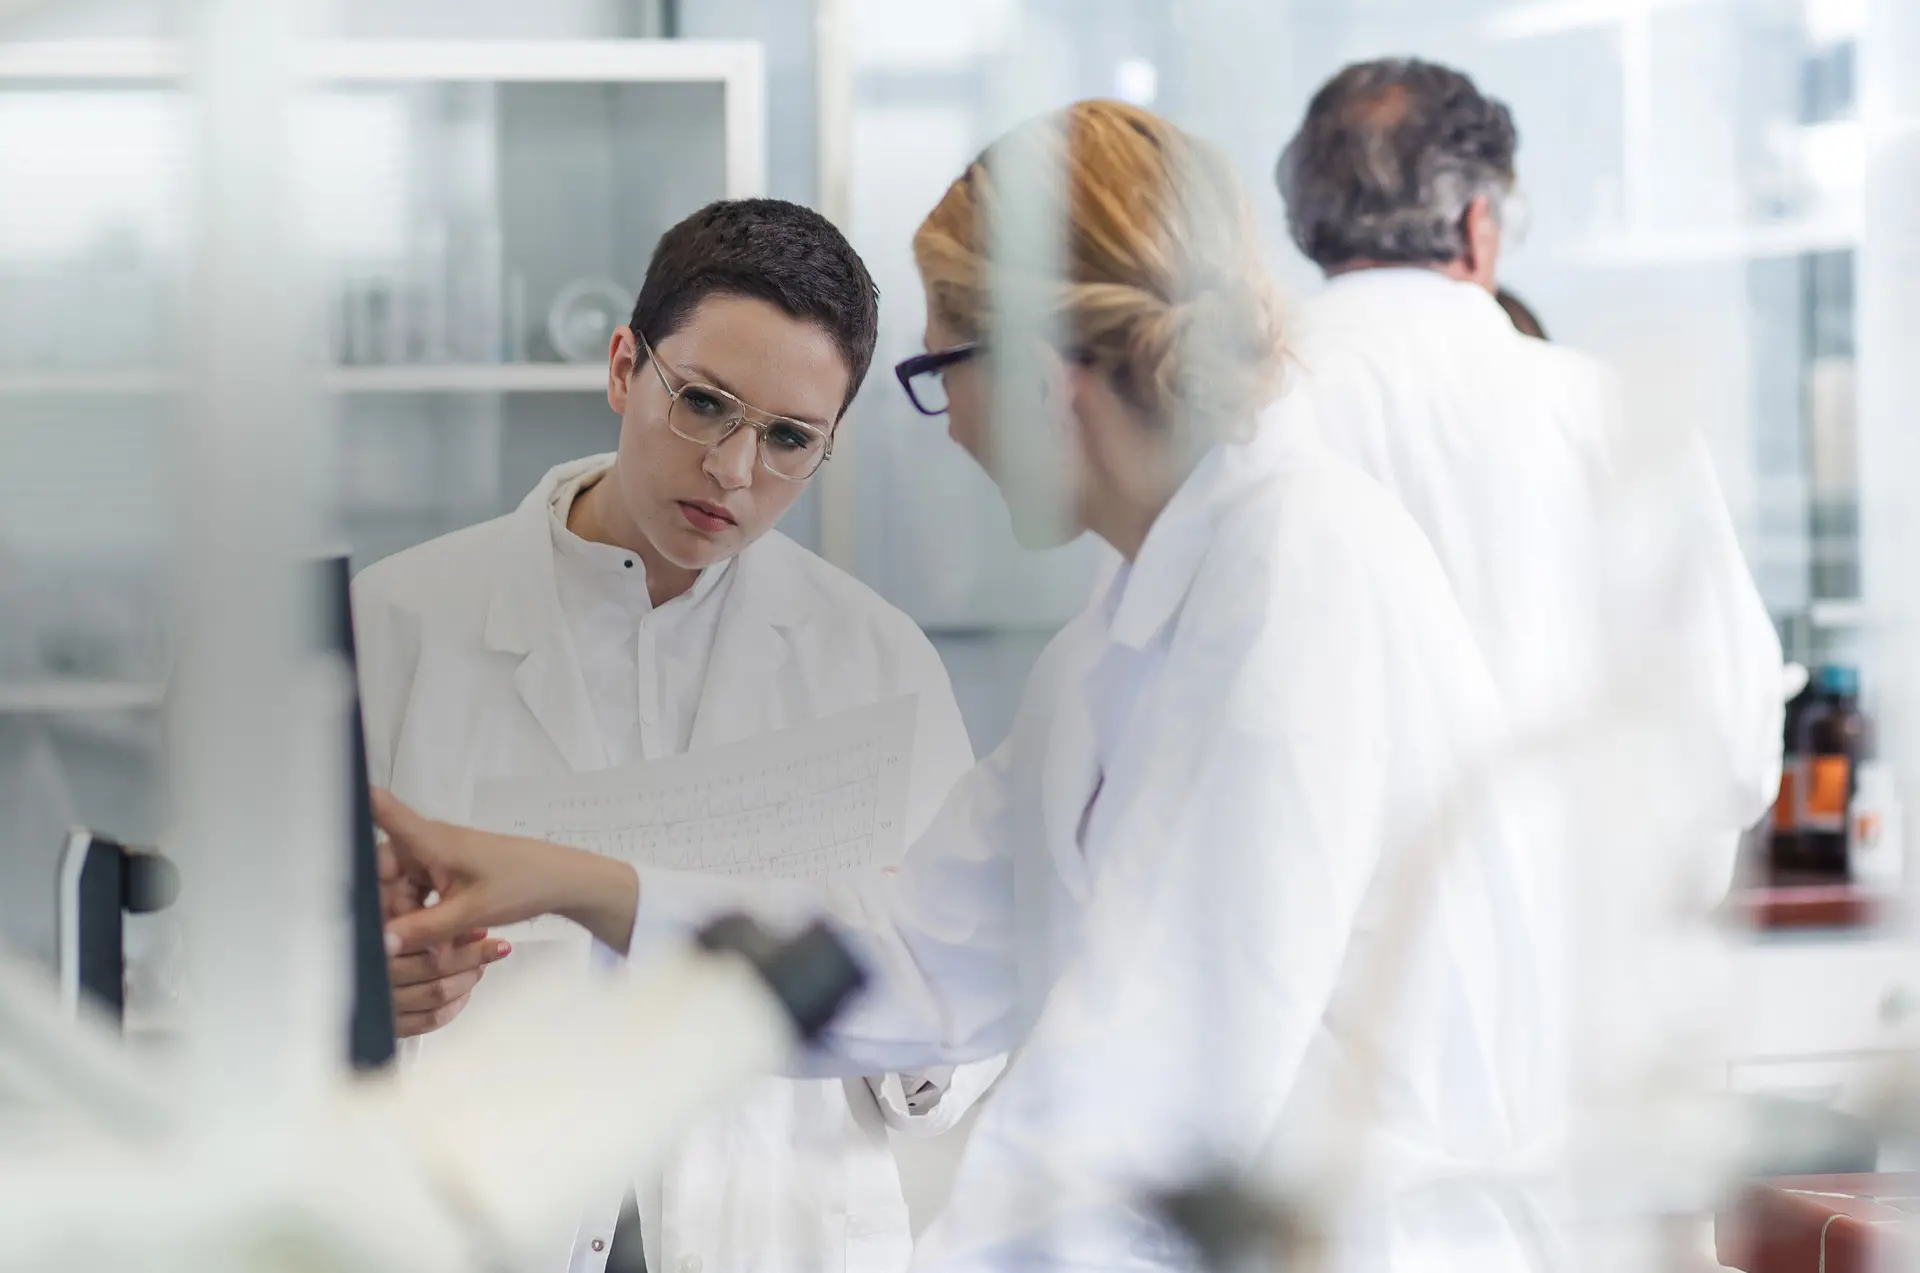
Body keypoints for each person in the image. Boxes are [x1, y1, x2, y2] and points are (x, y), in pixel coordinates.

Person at [377, 100, 1563, 1272]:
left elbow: (1153, 1097)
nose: (946, 430)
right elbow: (916, 946)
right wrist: (584, 884)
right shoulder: (1122, 635)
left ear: (1049, 381)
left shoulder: (1298, 585)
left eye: (941, 370)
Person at [352, 198, 1000, 1273]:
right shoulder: (397, 625)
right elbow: (230, 977)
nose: (736, 472)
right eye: (704, 405)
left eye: (791, 439)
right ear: (622, 368)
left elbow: (961, 1027)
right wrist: (366, 989)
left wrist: (904, 999)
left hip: (775, 1231)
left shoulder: (877, 665)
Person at [1272, 58, 1781, 881]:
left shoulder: (1233, 416)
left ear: (1310, 222)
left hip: (1316, 967)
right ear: (1479, 222)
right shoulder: (1604, 415)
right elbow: (1729, 744)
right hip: (1568, 960)